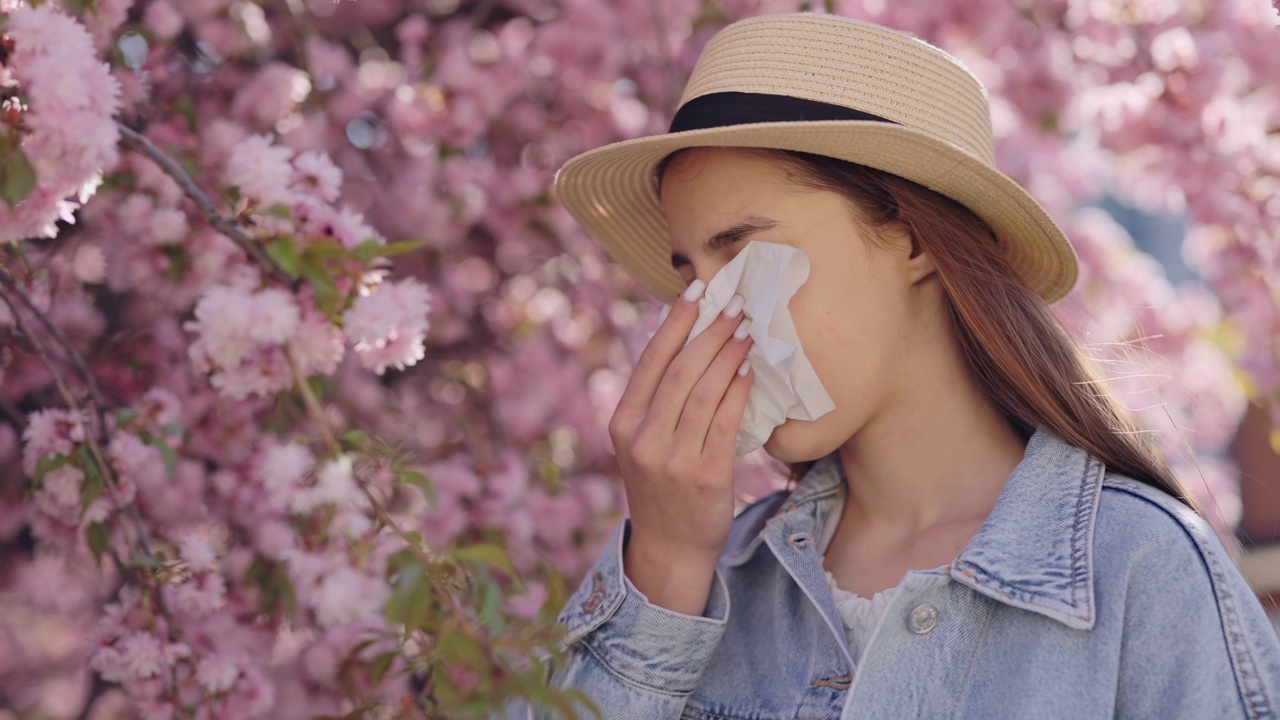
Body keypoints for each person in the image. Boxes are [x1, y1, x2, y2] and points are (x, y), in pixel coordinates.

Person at [546, 12, 1280, 719]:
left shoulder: (1140, 570)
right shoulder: (711, 581)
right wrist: (666, 571)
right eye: (690, 276)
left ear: (914, 240)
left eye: (741, 252)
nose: (712, 313)